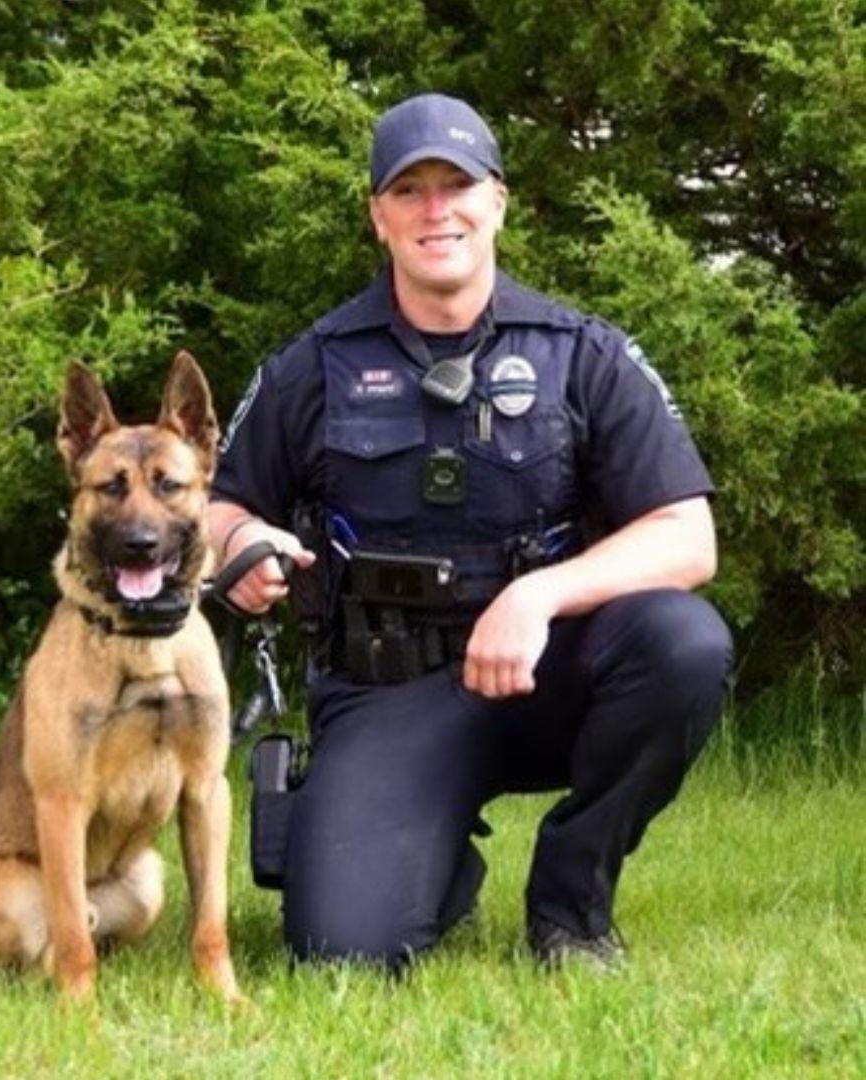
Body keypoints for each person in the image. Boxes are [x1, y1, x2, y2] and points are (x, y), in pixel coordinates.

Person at [208, 93, 732, 970]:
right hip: (386, 694)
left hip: (544, 677)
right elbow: (219, 506)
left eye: (456, 185)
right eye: (408, 190)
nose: (435, 210)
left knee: (683, 643)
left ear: (498, 201)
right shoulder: (314, 367)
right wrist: (240, 547)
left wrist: (539, 596)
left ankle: (571, 905)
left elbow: (687, 536)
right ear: (378, 216)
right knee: (341, 954)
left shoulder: (583, 354)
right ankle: (431, 855)